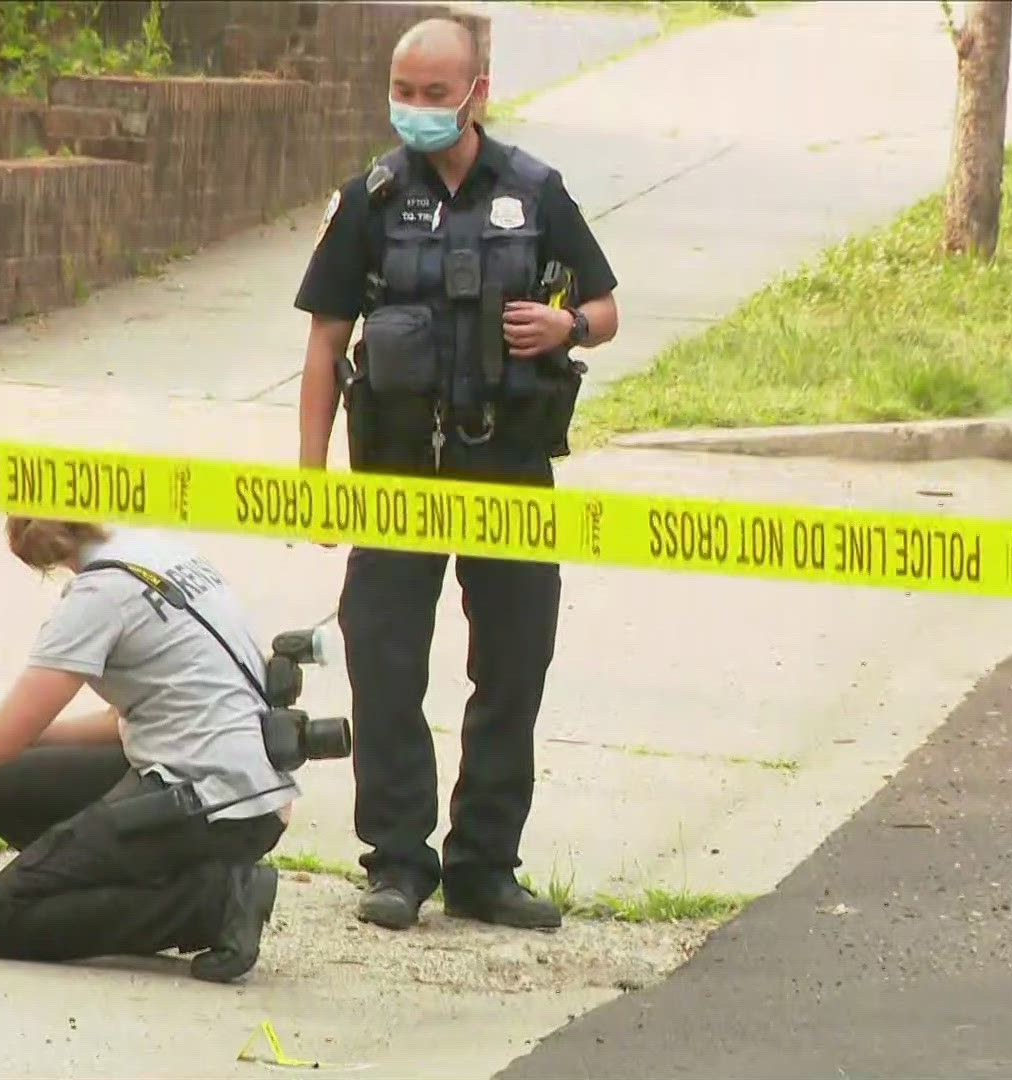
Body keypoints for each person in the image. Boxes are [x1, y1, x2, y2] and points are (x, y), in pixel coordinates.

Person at [291, 17, 621, 932]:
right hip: (398, 471)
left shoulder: (536, 191)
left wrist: (569, 330)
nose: (419, 110)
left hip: (509, 469)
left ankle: (484, 865)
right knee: (384, 665)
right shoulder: (370, 198)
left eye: (437, 94)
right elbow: (323, 343)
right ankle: (397, 862)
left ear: (478, 91)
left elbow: (604, 304)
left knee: (513, 666)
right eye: (405, 91)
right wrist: (312, 476)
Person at [0, 517, 295, 984]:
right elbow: (121, 723)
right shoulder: (156, 551)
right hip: (251, 792)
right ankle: (112, 883)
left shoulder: (99, 596)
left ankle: (212, 902)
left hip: (208, 807)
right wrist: (13, 731)